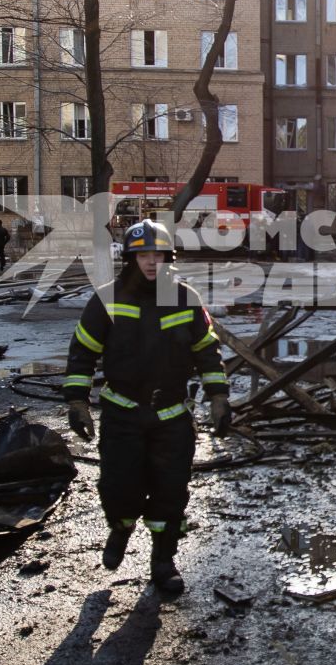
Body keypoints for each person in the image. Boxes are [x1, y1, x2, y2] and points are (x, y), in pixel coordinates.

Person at [62, 221, 232, 595]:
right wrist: (77, 402)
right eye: (144, 255)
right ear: (131, 258)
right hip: (123, 415)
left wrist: (218, 396)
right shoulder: (106, 300)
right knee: (119, 488)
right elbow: (82, 354)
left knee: (171, 490)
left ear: (168, 258)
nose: (152, 262)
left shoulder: (184, 298)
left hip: (171, 415)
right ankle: (120, 530)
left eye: (158, 255)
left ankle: (163, 559)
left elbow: (206, 350)